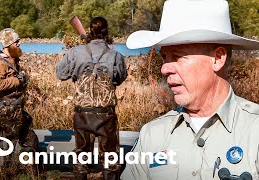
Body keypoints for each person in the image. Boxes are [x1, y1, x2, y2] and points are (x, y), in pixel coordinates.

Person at [121, 0, 259, 179]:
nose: (164, 69)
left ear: (217, 58)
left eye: (178, 57)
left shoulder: (254, 130)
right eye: (164, 57)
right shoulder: (152, 135)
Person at [56, 16, 127, 180]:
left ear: (90, 31)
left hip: (82, 115)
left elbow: (60, 74)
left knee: (81, 158)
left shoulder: (75, 52)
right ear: (107, 32)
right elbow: (120, 78)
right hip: (106, 116)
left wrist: (80, 63)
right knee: (111, 159)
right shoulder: (115, 55)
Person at [0, 28, 38, 176]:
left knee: (31, 141)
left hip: (17, 109)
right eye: (17, 42)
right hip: (6, 111)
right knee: (6, 152)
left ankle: (32, 173)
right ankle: (4, 175)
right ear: (9, 44)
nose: (19, 44)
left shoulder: (13, 60)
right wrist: (17, 80)